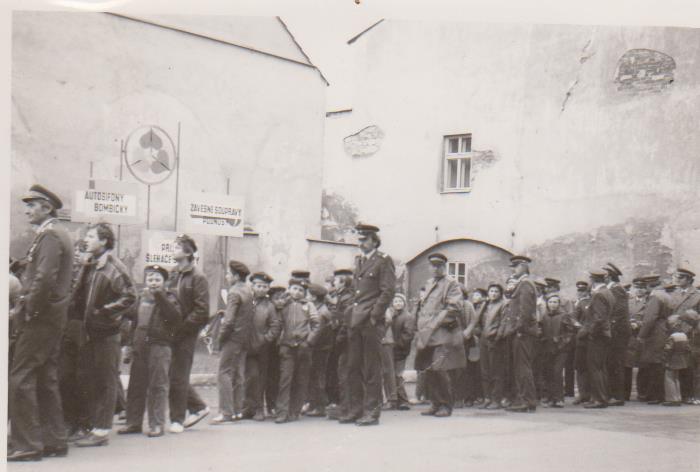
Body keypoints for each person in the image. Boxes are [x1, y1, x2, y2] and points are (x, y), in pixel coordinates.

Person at [9, 185, 74, 461]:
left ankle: (27, 444)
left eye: (32, 205)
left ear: (47, 208)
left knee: (20, 376)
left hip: (40, 317)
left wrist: (28, 311)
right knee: (46, 377)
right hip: (51, 317)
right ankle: (54, 440)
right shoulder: (57, 233)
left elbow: (44, 278)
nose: (27, 210)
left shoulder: (50, 235)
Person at [74, 223, 137, 447]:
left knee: (106, 380)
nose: (86, 240)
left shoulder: (114, 267)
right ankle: (93, 426)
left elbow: (130, 296)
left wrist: (104, 312)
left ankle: (101, 431)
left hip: (107, 332)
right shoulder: (90, 263)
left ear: (104, 241)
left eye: (91, 236)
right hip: (90, 332)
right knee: (90, 378)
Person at [118, 265, 183, 437]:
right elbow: (134, 321)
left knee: (157, 385)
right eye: (150, 279)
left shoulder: (171, 298)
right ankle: (133, 423)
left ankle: (157, 424)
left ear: (164, 282)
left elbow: (175, 318)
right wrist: (129, 344)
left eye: (157, 280)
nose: (153, 283)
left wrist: (160, 296)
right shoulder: (141, 297)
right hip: (140, 346)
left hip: (160, 346)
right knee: (136, 385)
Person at [341, 224, 396, 426]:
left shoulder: (383, 260)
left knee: (372, 369)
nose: (361, 243)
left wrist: (374, 316)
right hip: (356, 321)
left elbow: (388, 291)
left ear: (374, 240)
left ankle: (372, 412)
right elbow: (356, 292)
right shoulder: (360, 261)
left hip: (371, 321)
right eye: (359, 240)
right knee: (353, 367)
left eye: (364, 240)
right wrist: (350, 312)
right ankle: (355, 410)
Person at [167, 234, 211, 432]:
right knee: (172, 374)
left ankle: (177, 420)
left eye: (177, 247)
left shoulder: (198, 277)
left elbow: (202, 310)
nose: (173, 250)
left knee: (178, 375)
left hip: (186, 334)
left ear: (188, 252)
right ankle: (198, 407)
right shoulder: (173, 274)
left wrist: (183, 328)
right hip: (170, 332)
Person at [415, 253, 466, 418]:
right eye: (433, 266)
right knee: (429, 370)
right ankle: (435, 403)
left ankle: (446, 405)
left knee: (440, 370)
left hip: (442, 333)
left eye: (439, 266)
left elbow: (454, 308)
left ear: (444, 267)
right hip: (427, 335)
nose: (436, 269)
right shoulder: (429, 283)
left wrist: (434, 324)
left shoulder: (451, 284)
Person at [212, 260, 254, 424]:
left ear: (236, 276)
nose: (227, 276)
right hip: (244, 339)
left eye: (229, 274)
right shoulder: (248, 291)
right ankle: (236, 410)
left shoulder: (234, 292)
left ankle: (226, 412)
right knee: (238, 374)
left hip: (232, 338)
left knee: (224, 373)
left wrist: (220, 338)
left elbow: (229, 321)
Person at [275, 277, 320, 423]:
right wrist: (279, 342)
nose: (297, 292)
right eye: (294, 289)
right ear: (289, 289)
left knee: (300, 379)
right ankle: (282, 412)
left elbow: (316, 324)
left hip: (303, 347)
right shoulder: (284, 305)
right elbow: (278, 323)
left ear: (304, 293)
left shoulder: (309, 305)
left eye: (301, 290)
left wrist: (309, 341)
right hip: (287, 346)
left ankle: (294, 411)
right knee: (285, 379)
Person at [242, 272, 281, 421]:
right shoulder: (246, 301)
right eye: (258, 286)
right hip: (245, 346)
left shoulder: (269, 306)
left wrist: (265, 339)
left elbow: (275, 326)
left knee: (261, 378)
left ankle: (259, 409)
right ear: (252, 286)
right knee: (249, 377)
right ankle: (247, 408)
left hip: (262, 349)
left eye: (265, 287)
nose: (261, 289)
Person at [505, 255, 539, 413]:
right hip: (522, 331)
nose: (513, 270)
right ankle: (527, 400)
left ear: (524, 267)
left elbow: (525, 311)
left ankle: (526, 400)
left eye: (516, 266)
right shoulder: (522, 284)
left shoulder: (525, 284)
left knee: (523, 367)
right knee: (522, 367)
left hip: (522, 332)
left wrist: (518, 329)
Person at [578, 270, 615, 409]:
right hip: (604, 334)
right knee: (600, 367)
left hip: (598, 336)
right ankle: (601, 397)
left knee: (595, 368)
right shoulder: (608, 292)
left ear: (592, 280)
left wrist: (591, 333)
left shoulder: (599, 294)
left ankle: (599, 399)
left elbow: (599, 318)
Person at [638, 275, 672, 405]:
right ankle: (658, 394)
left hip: (655, 332)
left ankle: (656, 395)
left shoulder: (655, 297)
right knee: (658, 362)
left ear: (649, 285)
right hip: (663, 329)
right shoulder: (666, 295)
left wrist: (642, 335)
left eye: (645, 286)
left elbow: (650, 318)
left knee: (654, 363)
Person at [326, 269, 355, 420]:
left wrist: (339, 338)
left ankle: (346, 409)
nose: (334, 283)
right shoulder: (341, 297)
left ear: (343, 282)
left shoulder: (346, 298)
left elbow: (345, 321)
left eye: (336, 281)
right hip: (342, 339)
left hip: (345, 340)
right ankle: (344, 408)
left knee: (345, 374)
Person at [603, 263, 631, 406]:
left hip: (618, 333)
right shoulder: (612, 289)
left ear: (608, 276)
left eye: (604, 275)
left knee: (616, 363)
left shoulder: (617, 290)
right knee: (611, 363)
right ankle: (612, 394)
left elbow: (618, 312)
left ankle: (618, 396)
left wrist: (609, 327)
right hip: (615, 331)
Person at [670, 268, 700, 405]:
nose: (677, 279)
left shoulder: (696, 295)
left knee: (692, 365)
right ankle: (681, 394)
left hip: (691, 334)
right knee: (679, 364)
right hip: (675, 332)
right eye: (677, 277)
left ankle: (694, 395)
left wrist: (683, 316)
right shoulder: (674, 293)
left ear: (689, 280)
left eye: (681, 277)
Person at [541, 293, 576, 408]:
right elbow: (542, 331)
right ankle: (550, 397)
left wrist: (561, 342)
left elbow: (570, 332)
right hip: (548, 348)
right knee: (549, 372)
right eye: (550, 302)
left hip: (561, 349)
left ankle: (559, 398)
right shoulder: (545, 316)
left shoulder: (564, 316)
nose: (553, 304)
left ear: (559, 304)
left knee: (557, 372)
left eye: (555, 302)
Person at [306, 283, 333, 417]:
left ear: (314, 297)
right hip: (320, 348)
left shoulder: (321, 312)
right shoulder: (320, 309)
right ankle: (314, 404)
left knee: (318, 376)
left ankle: (320, 406)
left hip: (319, 349)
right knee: (315, 375)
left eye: (308, 295)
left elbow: (317, 332)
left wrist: (307, 343)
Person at [478, 283, 506, 409]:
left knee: (496, 371)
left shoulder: (503, 305)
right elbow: (478, 321)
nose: (493, 293)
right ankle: (487, 398)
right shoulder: (485, 305)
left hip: (495, 340)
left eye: (496, 291)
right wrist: (479, 333)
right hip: (483, 340)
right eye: (491, 291)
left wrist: (497, 338)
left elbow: (503, 323)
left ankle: (496, 399)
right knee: (485, 370)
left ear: (500, 294)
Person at [389, 293, 415, 410]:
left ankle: (403, 400)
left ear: (404, 303)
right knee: (393, 375)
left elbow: (408, 335)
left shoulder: (407, 316)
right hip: (392, 349)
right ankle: (396, 400)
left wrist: (397, 345)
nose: (398, 304)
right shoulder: (392, 315)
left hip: (400, 350)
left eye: (400, 301)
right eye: (395, 302)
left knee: (398, 375)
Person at [266, 286, 289, 416]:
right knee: (272, 377)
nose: (281, 301)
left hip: (284, 347)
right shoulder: (270, 311)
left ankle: (281, 404)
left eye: (283, 298)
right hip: (271, 348)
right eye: (277, 299)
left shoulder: (287, 310)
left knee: (282, 377)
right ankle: (271, 405)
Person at [626, 278, 649, 401]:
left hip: (642, 336)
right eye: (637, 288)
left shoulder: (649, 302)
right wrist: (628, 322)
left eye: (642, 288)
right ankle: (625, 393)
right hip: (629, 336)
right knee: (627, 364)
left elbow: (650, 318)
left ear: (646, 289)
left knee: (643, 365)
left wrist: (639, 324)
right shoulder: (628, 302)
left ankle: (642, 393)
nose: (639, 290)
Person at [662, 315, 691, 407]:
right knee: (676, 379)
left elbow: (668, 350)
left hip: (672, 360)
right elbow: (688, 349)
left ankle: (672, 399)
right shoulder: (684, 336)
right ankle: (678, 397)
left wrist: (665, 360)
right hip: (681, 360)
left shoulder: (672, 336)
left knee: (669, 378)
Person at [380, 294, 403, 410]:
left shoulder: (385, 306)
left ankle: (392, 399)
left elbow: (388, 319)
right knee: (384, 371)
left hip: (385, 341)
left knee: (387, 371)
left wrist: (380, 332)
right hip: (382, 341)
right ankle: (387, 399)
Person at [573, 281, 592, 405]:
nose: (580, 293)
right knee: (580, 367)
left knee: (589, 367)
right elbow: (573, 318)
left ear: (587, 291)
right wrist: (577, 325)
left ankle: (588, 394)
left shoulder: (589, 303)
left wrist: (581, 327)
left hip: (588, 338)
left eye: (583, 291)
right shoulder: (577, 303)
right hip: (580, 339)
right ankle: (582, 393)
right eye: (579, 290)